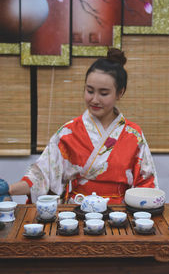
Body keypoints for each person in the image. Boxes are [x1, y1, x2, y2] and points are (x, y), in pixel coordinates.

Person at [0, 48, 158, 204]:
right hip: (76, 213)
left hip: (119, 216)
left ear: (120, 93)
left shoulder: (133, 134)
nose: (94, 99)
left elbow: (146, 185)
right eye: (90, 91)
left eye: (103, 93)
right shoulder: (69, 132)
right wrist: (9, 189)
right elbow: (41, 176)